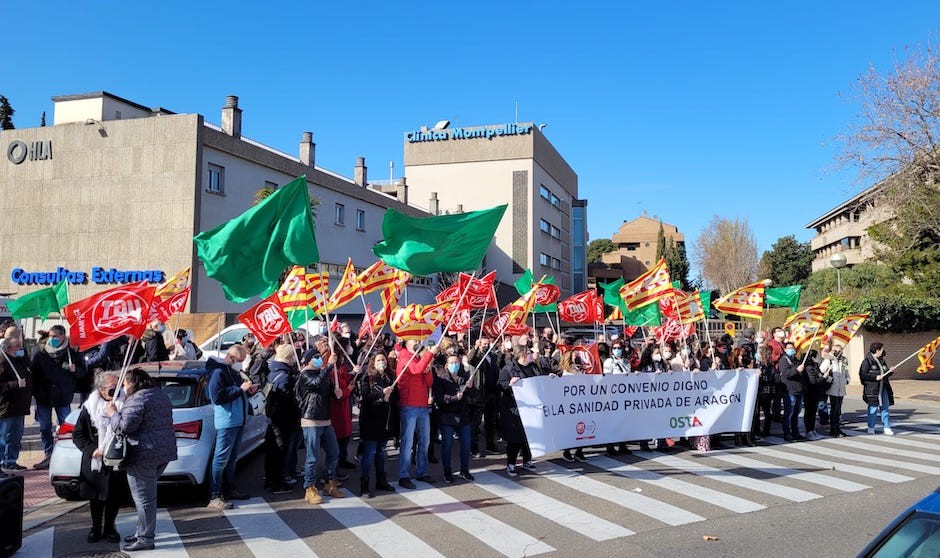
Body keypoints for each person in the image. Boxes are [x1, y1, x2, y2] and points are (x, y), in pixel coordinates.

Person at [106, 367, 176, 552]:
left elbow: (125, 426)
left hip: (143, 454)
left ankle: (145, 538)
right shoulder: (160, 394)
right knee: (146, 496)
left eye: (126, 383)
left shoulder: (137, 399)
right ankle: (141, 532)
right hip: (163, 452)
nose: (124, 387)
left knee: (144, 499)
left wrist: (113, 413)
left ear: (133, 383)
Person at [72, 369, 126, 543]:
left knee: (114, 496)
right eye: (112, 387)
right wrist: (92, 450)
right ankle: (95, 528)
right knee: (96, 497)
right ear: (101, 389)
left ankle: (110, 528)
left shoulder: (125, 403)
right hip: (95, 459)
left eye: (118, 386)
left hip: (117, 459)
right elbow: (78, 434)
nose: (115, 390)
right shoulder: (89, 407)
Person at [205, 345, 256, 510]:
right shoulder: (218, 372)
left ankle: (228, 489)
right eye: (239, 361)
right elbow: (218, 397)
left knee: (231, 459)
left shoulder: (230, 371)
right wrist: (239, 389)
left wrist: (247, 390)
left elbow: (234, 391)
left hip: (236, 419)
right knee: (220, 460)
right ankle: (215, 495)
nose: (240, 365)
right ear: (232, 358)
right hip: (227, 421)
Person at [31, 324, 86, 470]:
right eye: (51, 336)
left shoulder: (71, 352)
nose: (52, 339)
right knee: (45, 427)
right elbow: (33, 374)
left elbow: (83, 372)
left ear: (63, 336)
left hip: (63, 396)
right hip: (44, 397)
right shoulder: (40, 352)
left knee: (67, 426)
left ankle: (68, 453)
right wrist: (36, 392)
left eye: (55, 336)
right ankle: (48, 454)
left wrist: (76, 370)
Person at [295, 349, 346, 504]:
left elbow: (328, 391)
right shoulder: (305, 375)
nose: (319, 360)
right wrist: (329, 366)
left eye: (319, 357)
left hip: (325, 419)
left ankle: (330, 482)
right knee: (312, 456)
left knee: (334, 452)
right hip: (311, 420)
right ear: (309, 360)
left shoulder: (322, 375)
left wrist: (336, 393)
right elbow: (315, 383)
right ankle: (309, 488)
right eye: (315, 358)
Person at [396, 339, 440, 489]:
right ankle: (403, 475)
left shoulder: (417, 358)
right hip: (409, 406)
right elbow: (415, 370)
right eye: (415, 339)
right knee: (407, 442)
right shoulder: (404, 357)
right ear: (407, 343)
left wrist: (428, 369)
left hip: (421, 405)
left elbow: (429, 382)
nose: (418, 341)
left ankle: (422, 471)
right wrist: (428, 354)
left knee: (425, 441)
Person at [357, 352, 397, 497]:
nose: (382, 362)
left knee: (381, 453)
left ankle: (381, 480)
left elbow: (395, 397)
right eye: (379, 360)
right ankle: (364, 485)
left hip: (385, 421)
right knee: (369, 454)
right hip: (370, 421)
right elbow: (366, 398)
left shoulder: (389, 377)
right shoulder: (367, 378)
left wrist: (390, 396)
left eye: (384, 360)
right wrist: (381, 394)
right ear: (373, 362)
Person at [498, 344, 540, 476]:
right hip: (515, 408)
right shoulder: (509, 368)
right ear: (522, 355)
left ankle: (527, 460)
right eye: (529, 353)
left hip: (532, 408)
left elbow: (539, 379)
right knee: (515, 438)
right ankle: (511, 464)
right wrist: (509, 384)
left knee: (530, 436)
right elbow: (500, 385)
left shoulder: (532, 366)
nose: (531, 355)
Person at [264, 344, 300, 494]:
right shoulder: (285, 375)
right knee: (279, 451)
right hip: (282, 419)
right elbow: (287, 400)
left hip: (273, 417)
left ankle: (271, 479)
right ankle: (277, 483)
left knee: (272, 451)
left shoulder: (273, 370)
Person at [434, 353, 473, 483]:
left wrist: (471, 387)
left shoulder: (464, 377)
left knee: (466, 445)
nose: (454, 365)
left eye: (456, 362)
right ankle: (447, 471)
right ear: (446, 365)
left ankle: (464, 470)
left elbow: (472, 396)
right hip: (447, 417)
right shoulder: (441, 379)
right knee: (447, 446)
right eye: (451, 363)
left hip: (463, 417)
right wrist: (454, 398)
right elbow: (439, 398)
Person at [0, 336, 31, 471]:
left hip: (20, 407)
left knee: (16, 437)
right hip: (7, 408)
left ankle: (11, 461)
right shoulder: (2, 363)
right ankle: (1, 463)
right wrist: (14, 384)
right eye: (17, 346)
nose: (21, 349)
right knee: (3, 438)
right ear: (7, 349)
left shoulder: (19, 361)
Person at [467, 336, 501, 456]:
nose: (486, 346)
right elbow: (470, 359)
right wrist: (475, 347)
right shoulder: (477, 356)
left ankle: (490, 444)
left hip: (492, 393)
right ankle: (473, 447)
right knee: (476, 423)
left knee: (490, 421)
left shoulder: (492, 356)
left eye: (488, 344)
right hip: (480, 393)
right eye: (484, 344)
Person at [859, 342, 894, 436]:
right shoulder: (867, 361)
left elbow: (885, 372)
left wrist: (890, 371)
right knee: (873, 408)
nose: (883, 352)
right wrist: (875, 377)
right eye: (882, 350)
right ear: (877, 350)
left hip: (884, 388)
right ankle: (871, 427)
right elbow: (863, 375)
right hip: (873, 389)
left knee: (885, 408)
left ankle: (886, 427)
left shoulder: (882, 361)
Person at [778, 342, 805, 441]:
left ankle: (795, 432)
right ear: (785, 349)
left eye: (792, 348)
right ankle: (787, 433)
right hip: (789, 390)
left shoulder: (796, 360)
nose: (791, 350)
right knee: (789, 412)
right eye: (789, 348)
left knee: (796, 413)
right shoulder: (783, 360)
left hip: (798, 389)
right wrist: (797, 370)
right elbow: (786, 374)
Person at [821, 342, 849, 437]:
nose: (838, 353)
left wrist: (847, 379)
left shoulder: (844, 360)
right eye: (836, 351)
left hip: (841, 388)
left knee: (838, 410)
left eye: (839, 351)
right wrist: (829, 378)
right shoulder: (829, 360)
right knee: (834, 409)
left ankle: (838, 428)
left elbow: (846, 370)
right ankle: (833, 429)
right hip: (833, 387)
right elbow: (822, 370)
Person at [801, 350, 824, 441]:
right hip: (810, 392)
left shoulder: (815, 366)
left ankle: (812, 429)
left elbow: (819, 374)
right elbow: (813, 381)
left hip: (816, 392)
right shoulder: (809, 367)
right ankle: (809, 431)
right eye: (816, 356)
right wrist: (823, 378)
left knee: (813, 413)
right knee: (809, 412)